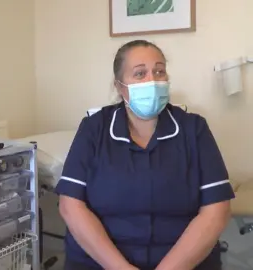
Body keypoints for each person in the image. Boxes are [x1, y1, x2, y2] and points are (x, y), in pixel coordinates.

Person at [56, 40, 235, 270]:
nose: (152, 80)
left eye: (159, 71)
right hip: (100, 263)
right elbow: (71, 206)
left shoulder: (194, 129)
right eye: (140, 73)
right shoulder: (94, 128)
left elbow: (216, 210)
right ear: (120, 87)